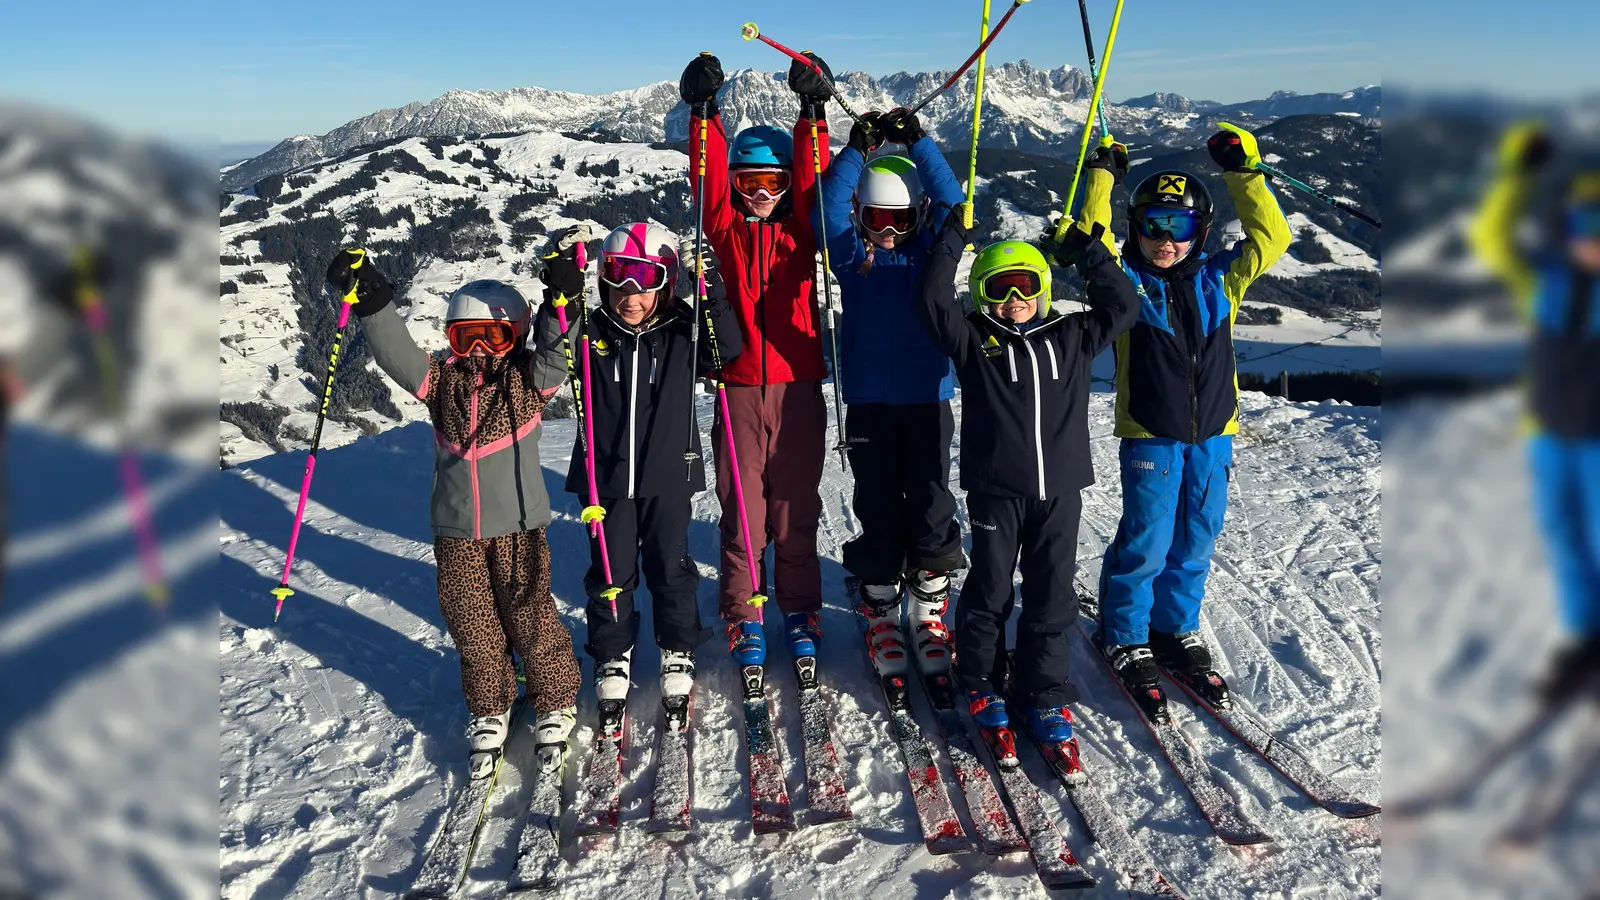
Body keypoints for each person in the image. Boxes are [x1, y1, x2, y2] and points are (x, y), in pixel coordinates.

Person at [325, 250, 581, 778]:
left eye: (495, 337)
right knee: (472, 622)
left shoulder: (528, 382)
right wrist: (372, 299)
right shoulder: (442, 384)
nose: (482, 350)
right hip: (456, 529)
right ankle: (492, 703)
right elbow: (398, 354)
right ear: (451, 340)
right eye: (468, 338)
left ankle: (554, 695)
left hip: (518, 524)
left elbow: (558, 355)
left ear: (517, 336)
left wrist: (564, 302)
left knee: (529, 612)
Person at [1073, 124, 1292, 722]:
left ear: (1201, 232)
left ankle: (1175, 628)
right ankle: (1124, 631)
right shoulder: (1125, 288)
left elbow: (1273, 237)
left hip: (1215, 434)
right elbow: (1086, 238)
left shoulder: (1221, 279)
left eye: (1180, 227)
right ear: (1135, 228)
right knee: (1147, 537)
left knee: (1196, 536)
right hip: (1151, 432)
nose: (1164, 240)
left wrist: (1243, 169)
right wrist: (1101, 175)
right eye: (1152, 226)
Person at [915, 205, 1138, 754]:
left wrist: (1086, 253)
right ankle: (982, 681)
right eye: (999, 289)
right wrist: (952, 241)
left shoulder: (1074, 334)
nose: (1014, 300)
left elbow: (1124, 303)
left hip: (1060, 491)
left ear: (1042, 288)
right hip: (998, 490)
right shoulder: (973, 340)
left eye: (1025, 286)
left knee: (1051, 592)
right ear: (983, 294)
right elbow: (931, 301)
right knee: (990, 588)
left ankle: (1042, 689)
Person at [534, 223, 740, 718]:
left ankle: (677, 645)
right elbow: (551, 348)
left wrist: (709, 288)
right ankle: (613, 654)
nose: (631, 293)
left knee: (671, 566)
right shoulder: (591, 328)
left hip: (667, 471)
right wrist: (557, 292)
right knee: (609, 571)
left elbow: (724, 349)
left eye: (644, 279)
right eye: (618, 277)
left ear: (665, 281)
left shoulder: (682, 329)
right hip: (603, 477)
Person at [678, 51, 833, 670]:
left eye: (774, 184)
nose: (763, 195)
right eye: (750, 184)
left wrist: (813, 111)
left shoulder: (805, 228)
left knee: (795, 502)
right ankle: (744, 611)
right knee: (743, 507)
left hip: (798, 384)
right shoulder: (725, 228)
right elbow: (708, 180)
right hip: (740, 385)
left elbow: (817, 175)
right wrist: (704, 114)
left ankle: (799, 606)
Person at [812, 107, 967, 679]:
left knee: (930, 500)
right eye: (877, 218)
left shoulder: (932, 254)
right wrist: (857, 150)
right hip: (871, 402)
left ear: (918, 215)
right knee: (877, 498)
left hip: (929, 398)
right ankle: (880, 599)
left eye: (900, 219)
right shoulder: (855, 260)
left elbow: (956, 206)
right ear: (861, 215)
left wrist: (920, 144)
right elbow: (827, 211)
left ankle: (928, 606)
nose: (889, 230)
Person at [1469, 124, 1600, 701]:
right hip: (1549, 435)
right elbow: (1493, 237)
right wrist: (1516, 174)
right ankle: (1584, 642)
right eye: (1586, 223)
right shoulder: (1546, 282)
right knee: (1566, 541)